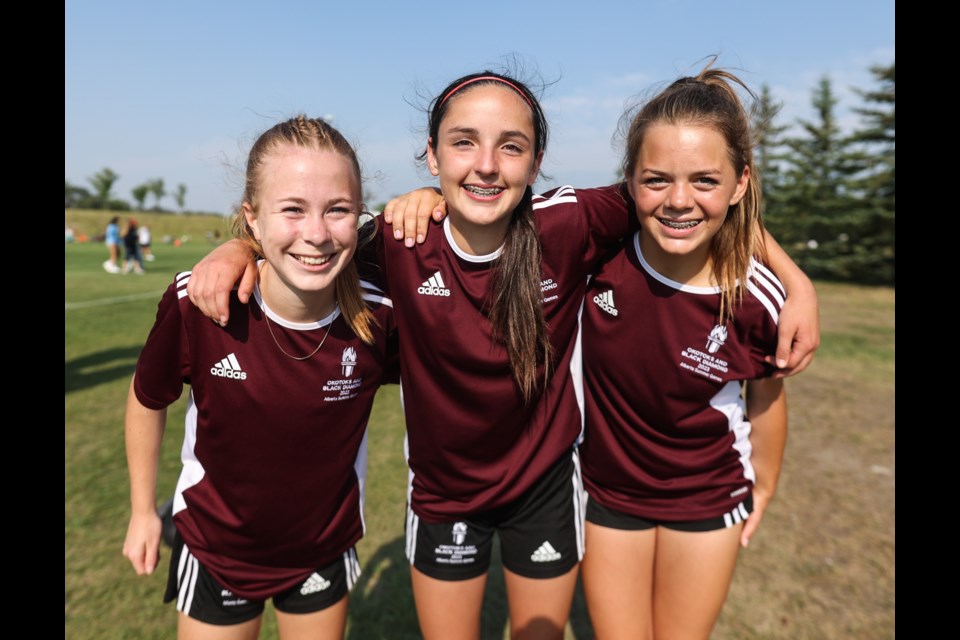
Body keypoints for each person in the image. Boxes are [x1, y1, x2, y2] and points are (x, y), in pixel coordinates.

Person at [185, 71, 819, 640]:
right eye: (463, 142)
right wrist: (239, 250)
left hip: (546, 485)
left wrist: (796, 283)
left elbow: (687, 200)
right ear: (430, 155)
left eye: (510, 146)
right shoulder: (403, 236)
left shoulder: (570, 222)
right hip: (442, 495)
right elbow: (311, 233)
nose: (486, 165)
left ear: (537, 160)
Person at [122, 115, 397, 640]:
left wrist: (428, 197)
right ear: (252, 217)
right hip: (215, 547)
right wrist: (141, 511)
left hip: (322, 548)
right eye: (292, 209)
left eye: (337, 210)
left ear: (359, 216)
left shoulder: (380, 317)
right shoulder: (200, 305)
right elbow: (147, 398)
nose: (316, 234)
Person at [577, 66, 791, 639]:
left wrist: (765, 486)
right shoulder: (594, 263)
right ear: (629, 180)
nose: (679, 201)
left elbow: (767, 400)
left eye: (704, 180)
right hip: (607, 492)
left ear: (739, 184)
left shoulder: (759, 297)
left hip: (707, 495)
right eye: (656, 180)